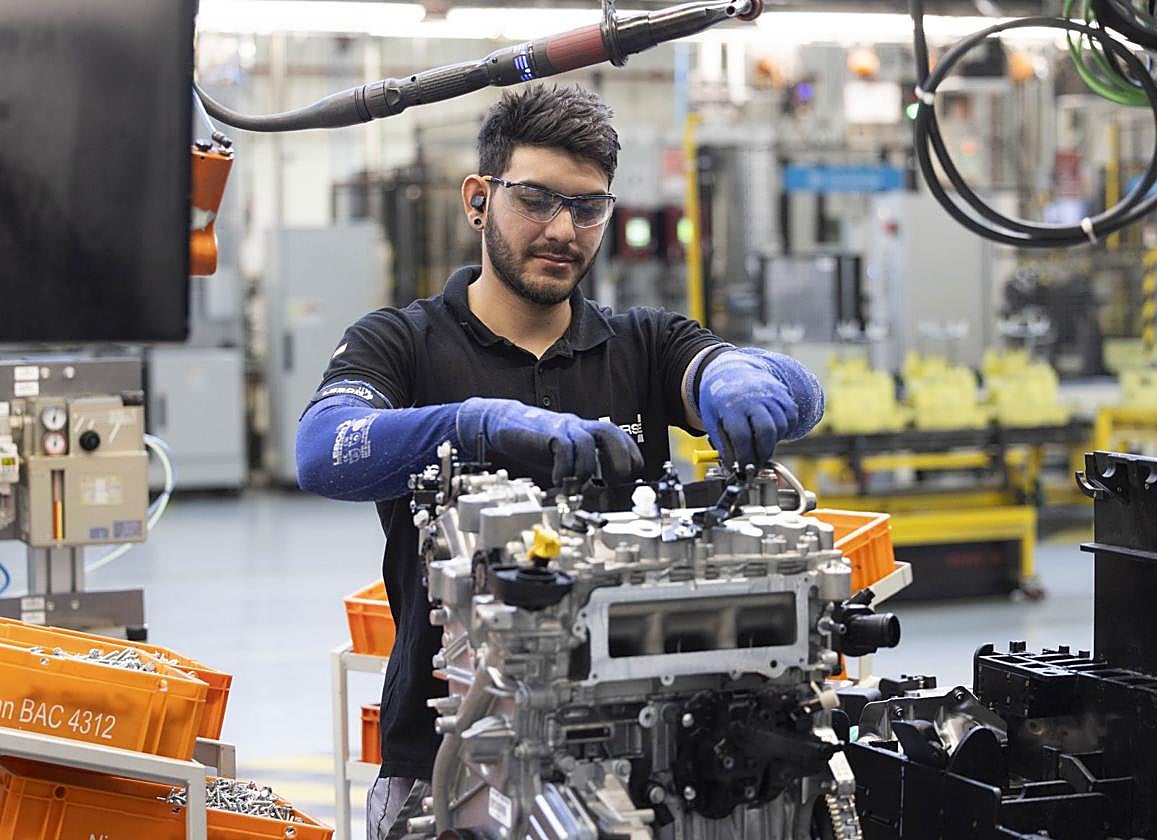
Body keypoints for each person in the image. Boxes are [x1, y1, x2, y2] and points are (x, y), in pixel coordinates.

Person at [295, 83, 824, 840]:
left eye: (588, 208)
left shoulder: (643, 345)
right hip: (451, 753)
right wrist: (478, 426)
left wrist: (741, 376)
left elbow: (799, 394)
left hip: (646, 750)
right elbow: (324, 450)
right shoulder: (402, 344)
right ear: (479, 200)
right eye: (536, 200)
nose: (563, 230)